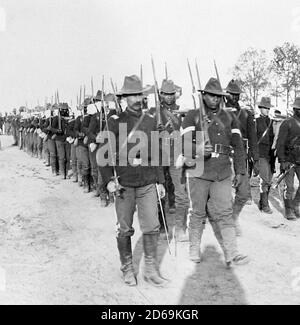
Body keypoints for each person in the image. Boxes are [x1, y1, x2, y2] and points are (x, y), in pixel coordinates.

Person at [99, 75, 167, 287]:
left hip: (147, 180)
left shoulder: (149, 121)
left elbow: (156, 153)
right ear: (124, 98)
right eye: (132, 95)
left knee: (152, 226)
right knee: (125, 228)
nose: (136, 98)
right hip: (123, 182)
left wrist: (160, 181)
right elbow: (103, 153)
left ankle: (151, 269)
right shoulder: (114, 121)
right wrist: (108, 179)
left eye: (139, 94)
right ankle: (127, 268)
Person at [181, 77, 249, 267]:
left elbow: (238, 146)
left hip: (222, 172)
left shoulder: (230, 117)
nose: (215, 99)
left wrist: (241, 171)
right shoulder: (192, 116)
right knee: (198, 211)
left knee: (225, 212)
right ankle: (194, 247)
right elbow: (183, 145)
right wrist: (198, 150)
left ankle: (232, 253)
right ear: (204, 95)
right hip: (199, 171)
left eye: (218, 96)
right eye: (211, 95)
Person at [225, 79, 259, 235]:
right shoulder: (219, 113)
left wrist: (256, 159)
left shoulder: (246, 114)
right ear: (225, 95)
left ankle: (232, 217)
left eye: (237, 95)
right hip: (223, 155)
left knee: (244, 192)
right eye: (232, 94)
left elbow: (252, 138)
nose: (234, 97)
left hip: (240, 155)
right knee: (222, 191)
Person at [158, 79, 189, 242]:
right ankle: (161, 227)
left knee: (182, 194)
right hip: (158, 156)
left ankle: (181, 228)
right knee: (158, 192)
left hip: (176, 156)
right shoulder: (154, 111)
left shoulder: (181, 111)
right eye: (165, 94)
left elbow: (186, 134)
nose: (169, 97)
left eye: (172, 94)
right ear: (161, 94)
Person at [276, 97, 300, 220]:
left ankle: (296, 204)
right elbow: (280, 143)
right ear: (295, 109)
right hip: (288, 160)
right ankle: (289, 210)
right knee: (289, 187)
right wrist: (282, 160)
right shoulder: (287, 123)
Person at [256, 97, 275, 214]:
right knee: (264, 180)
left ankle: (263, 201)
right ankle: (265, 204)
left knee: (270, 179)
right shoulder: (256, 122)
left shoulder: (272, 122)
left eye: (268, 108)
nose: (267, 110)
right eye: (265, 108)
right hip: (261, 153)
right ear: (260, 108)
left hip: (270, 155)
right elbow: (253, 139)